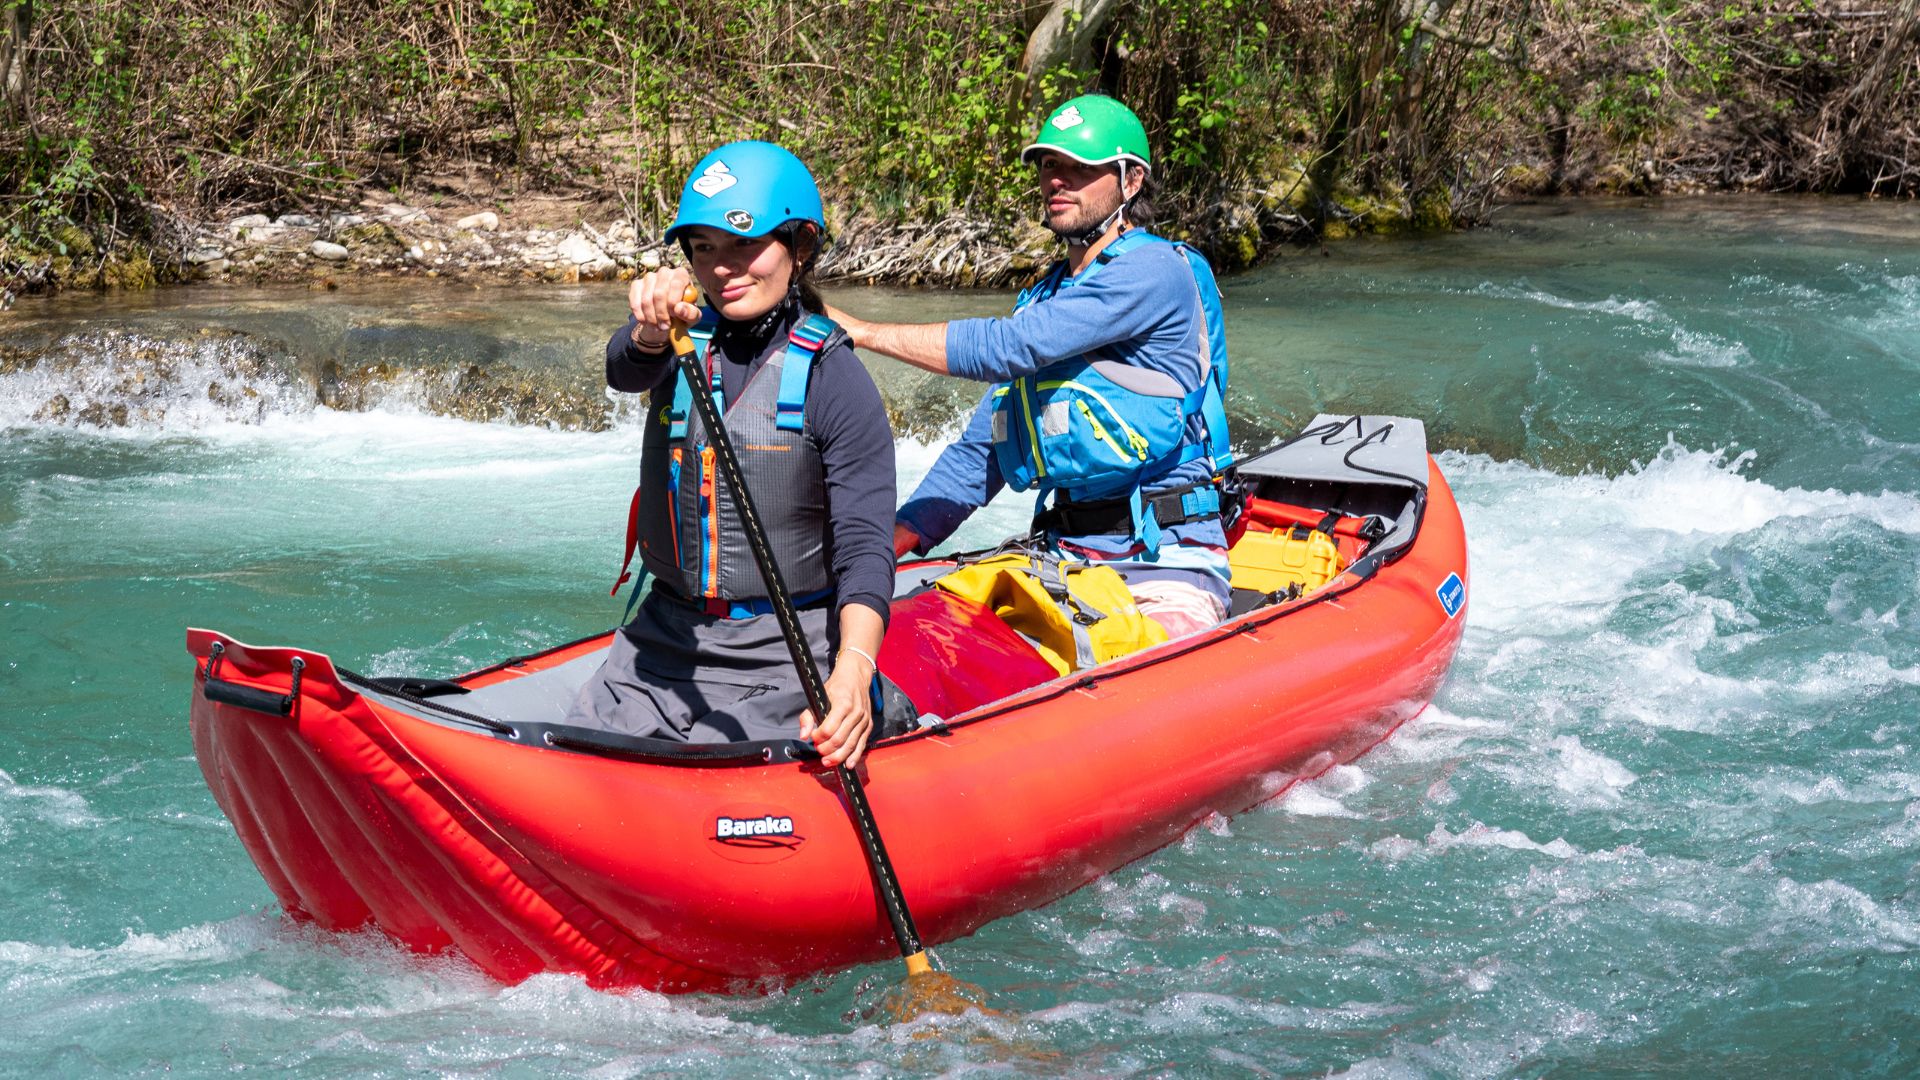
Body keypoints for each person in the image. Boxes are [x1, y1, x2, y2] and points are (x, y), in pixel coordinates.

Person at [828, 95, 1235, 638]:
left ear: (1131, 181)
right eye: (1049, 166)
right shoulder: (1046, 296)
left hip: (1164, 566)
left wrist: (863, 331)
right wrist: (888, 545)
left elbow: (1008, 348)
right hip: (1063, 559)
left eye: (1078, 168)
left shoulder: (1153, 271)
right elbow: (982, 452)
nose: (1057, 181)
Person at [564, 141, 901, 768]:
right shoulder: (680, 338)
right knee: (582, 766)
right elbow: (622, 370)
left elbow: (864, 548)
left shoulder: (836, 379)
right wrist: (645, 328)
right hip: (666, 637)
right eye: (705, 248)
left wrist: (853, 672)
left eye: (745, 244)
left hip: (785, 646)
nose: (724, 268)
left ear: (799, 247)